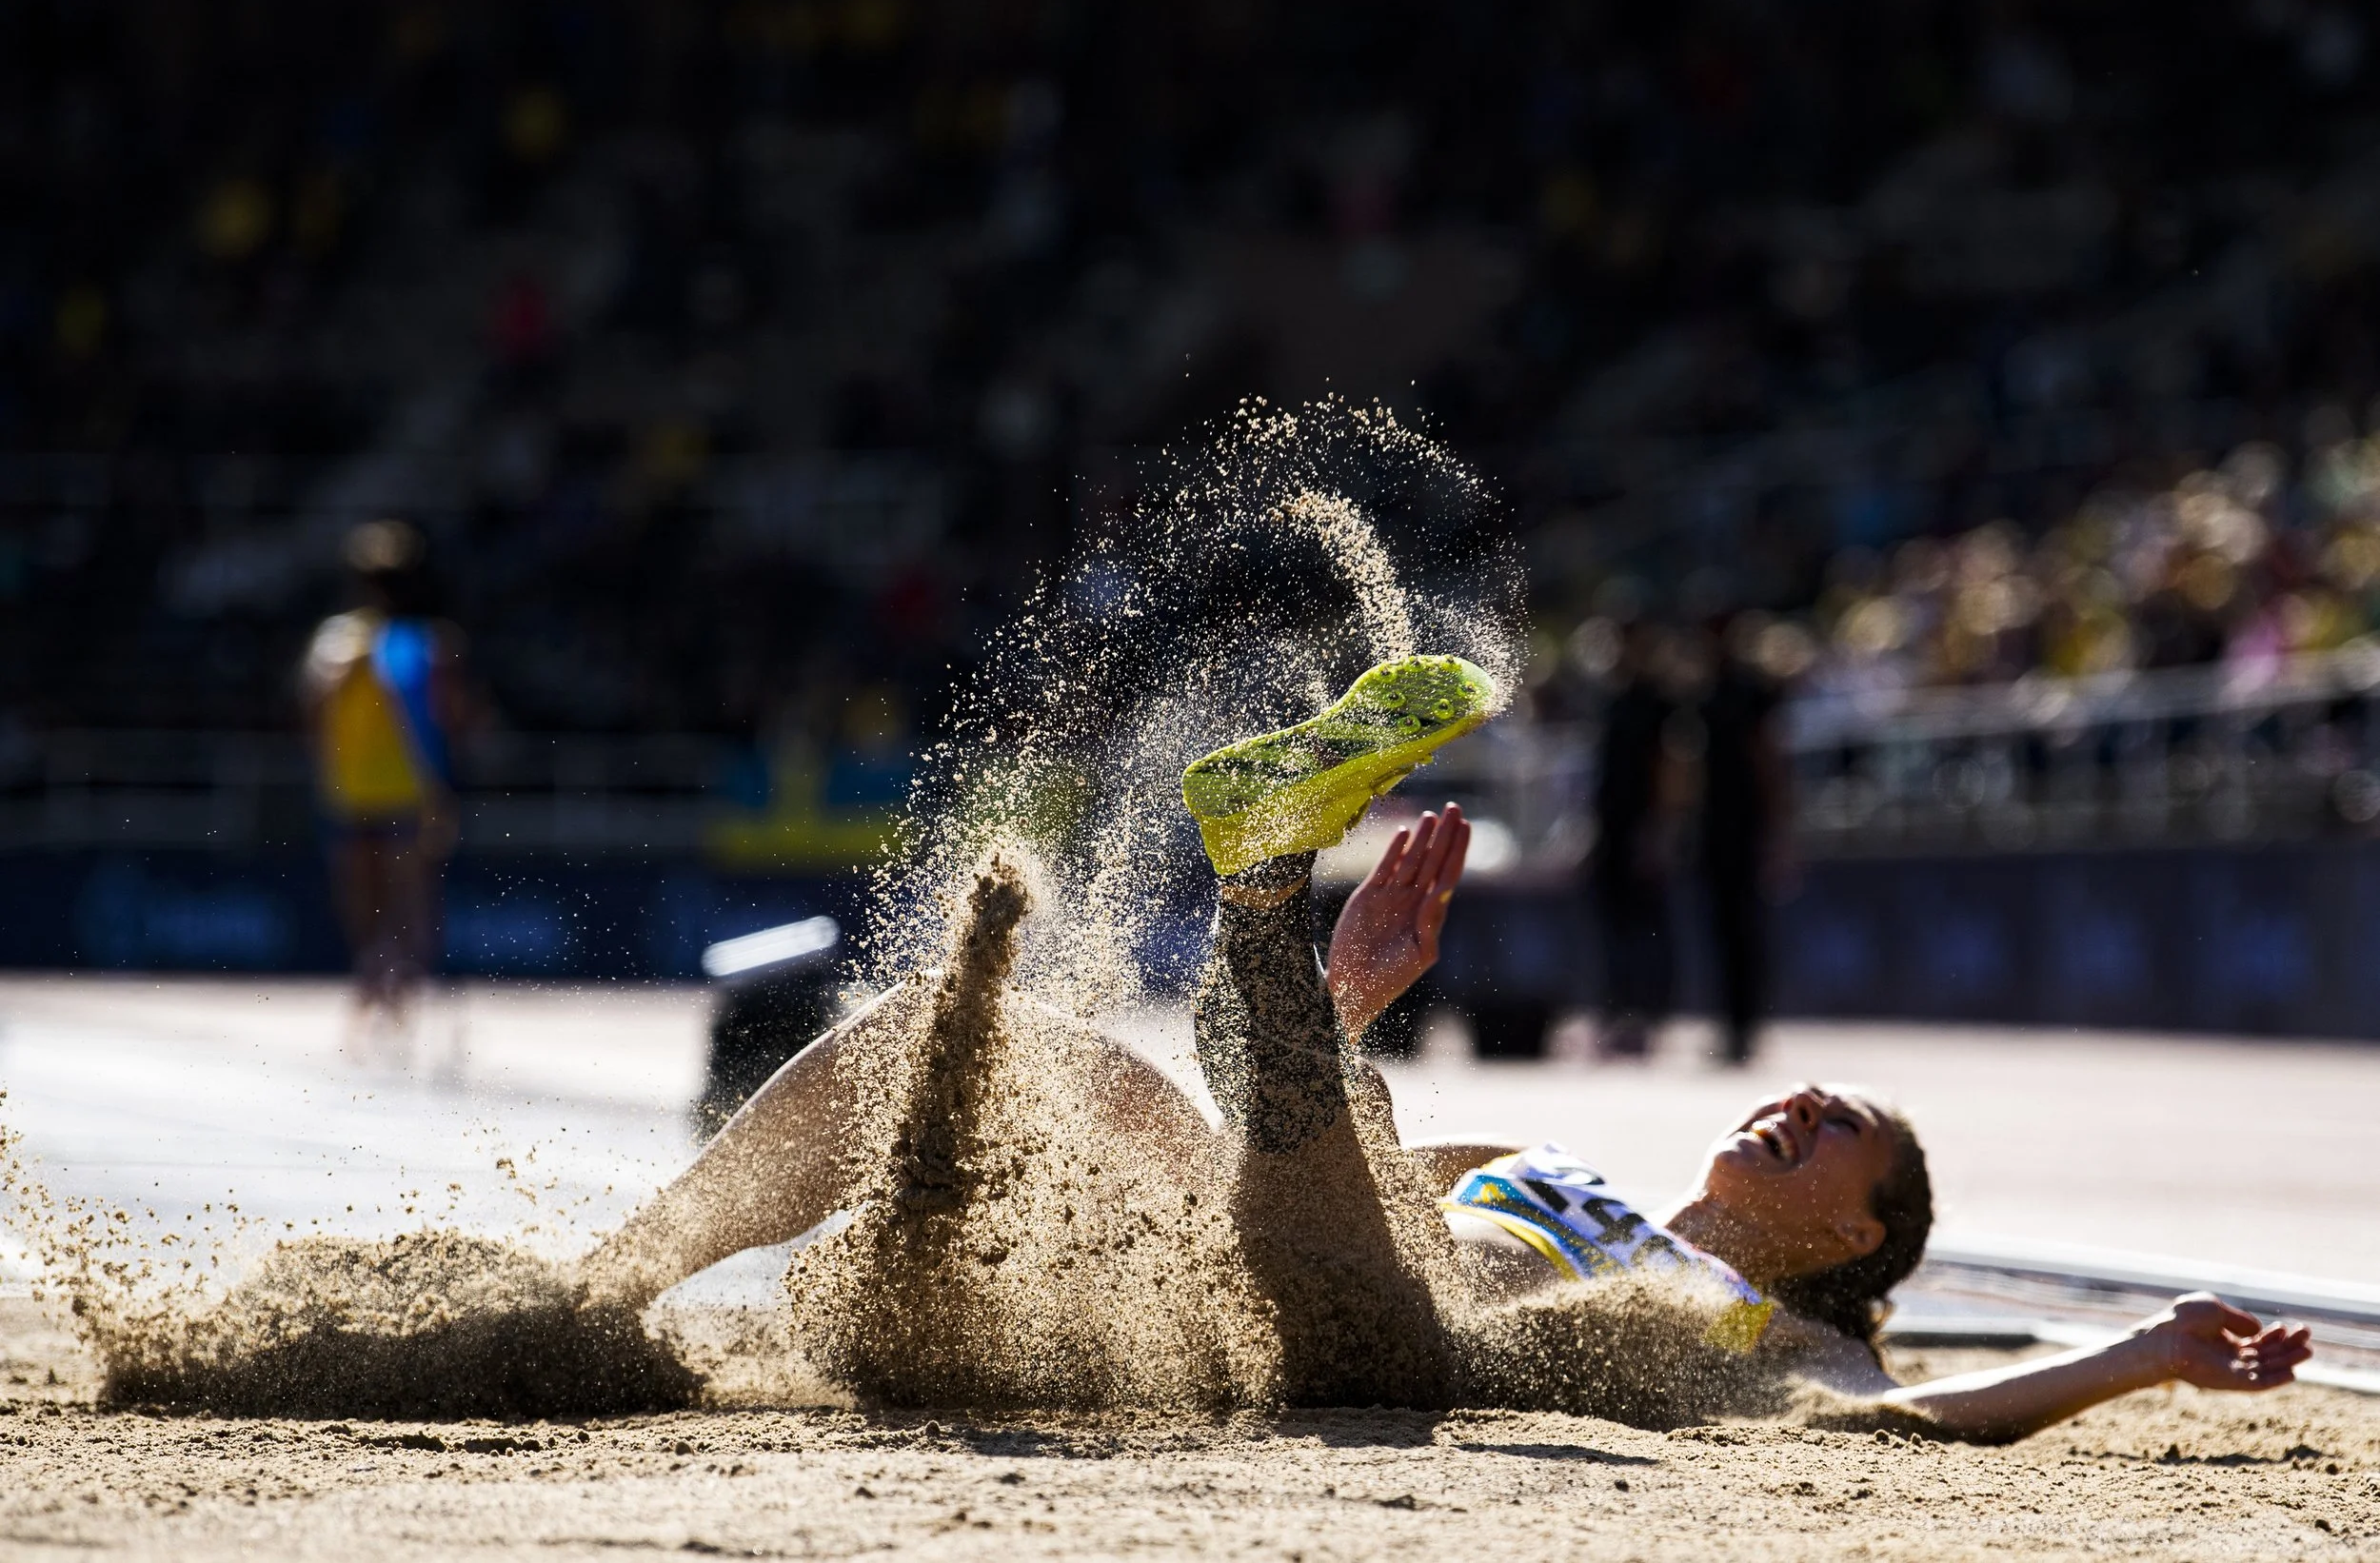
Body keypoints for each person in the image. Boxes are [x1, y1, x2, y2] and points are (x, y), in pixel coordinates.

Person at [582, 654, 2312, 1441]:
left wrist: (2140, 1355)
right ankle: (599, 1291)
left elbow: (1929, 1415)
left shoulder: (1777, 1334)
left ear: (1862, 1231)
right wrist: (1350, 1010)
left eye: (1838, 1119)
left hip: (1382, 1339)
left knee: (1346, 1200)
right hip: (1267, 1258)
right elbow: (1283, 1171)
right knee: (945, 1035)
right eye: (1804, 1089)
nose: (1795, 1100)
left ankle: (1261, 880)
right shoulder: (1546, 1170)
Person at [299, 521, 471, 1060]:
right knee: (372, 905)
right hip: (358, 794)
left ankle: (401, 998)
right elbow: (313, 707)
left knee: (403, 904)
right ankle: (379, 988)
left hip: (400, 794)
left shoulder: (426, 644)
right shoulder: (342, 641)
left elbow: (453, 719)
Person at [1696, 613, 1795, 1065]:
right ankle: (1730, 1024)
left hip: (1745, 828)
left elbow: (1768, 761)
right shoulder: (1701, 696)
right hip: (1712, 827)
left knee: (1745, 932)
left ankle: (1746, 1026)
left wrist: (1778, 831)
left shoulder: (1751, 692)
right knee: (1720, 931)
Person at [1590, 622, 1689, 1058]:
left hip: (1641, 829)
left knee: (1647, 928)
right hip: (1612, 829)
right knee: (1613, 926)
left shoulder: (1659, 705)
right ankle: (1618, 1014)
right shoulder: (1614, 701)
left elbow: (1669, 769)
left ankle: (1647, 1017)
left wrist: (1659, 829)